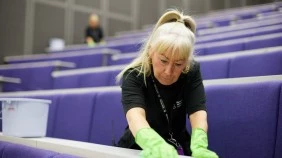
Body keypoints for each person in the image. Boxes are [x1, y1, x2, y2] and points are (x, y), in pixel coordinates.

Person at [116, 9, 219, 158]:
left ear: (187, 62)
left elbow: (197, 113)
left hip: (178, 146)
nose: (169, 71)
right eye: (163, 61)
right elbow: (135, 117)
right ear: (151, 51)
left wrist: (199, 144)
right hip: (139, 147)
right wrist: (154, 144)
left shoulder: (192, 70)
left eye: (178, 64)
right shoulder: (134, 75)